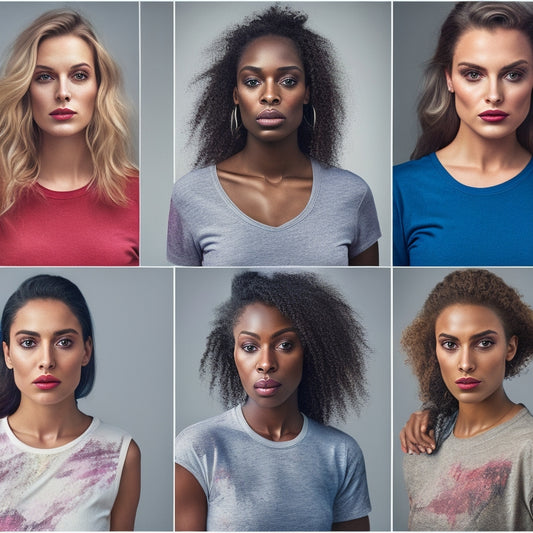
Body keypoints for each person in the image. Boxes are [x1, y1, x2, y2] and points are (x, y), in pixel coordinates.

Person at [167, 6, 381, 266]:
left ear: (307, 93)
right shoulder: (191, 194)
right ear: (236, 95)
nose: (270, 95)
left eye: (288, 81)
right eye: (252, 81)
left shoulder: (352, 194)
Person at [174, 271, 371, 531]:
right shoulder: (199, 448)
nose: (266, 364)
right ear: (232, 353)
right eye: (249, 347)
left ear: (310, 352)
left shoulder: (340, 453)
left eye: (285, 345)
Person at [393, 2, 533, 266]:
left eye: (513, 75)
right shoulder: (399, 189)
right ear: (449, 79)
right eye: (473, 74)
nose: (494, 95)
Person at [0, 274, 140, 530]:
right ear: (8, 354)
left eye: (64, 342)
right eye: (28, 343)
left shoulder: (119, 452)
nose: (46, 361)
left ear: (86, 351)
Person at [0, 10, 139, 266]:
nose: (62, 93)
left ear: (99, 88)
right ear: (26, 90)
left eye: (79, 76)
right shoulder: (4, 194)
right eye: (44, 77)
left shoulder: (140, 195)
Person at [399, 269, 533, 530]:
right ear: (434, 351)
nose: (465, 364)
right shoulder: (422, 444)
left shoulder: (527, 450)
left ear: (510, 348)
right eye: (450, 345)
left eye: (484, 343)